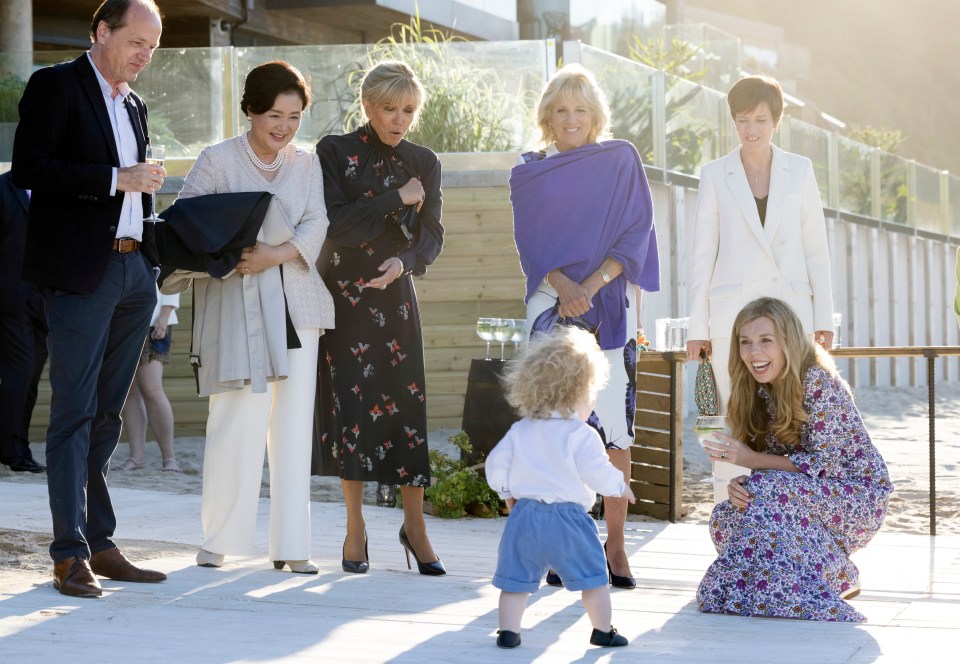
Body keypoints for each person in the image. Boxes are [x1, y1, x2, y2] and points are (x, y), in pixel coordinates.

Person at [10, 0, 167, 598]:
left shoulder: (134, 103)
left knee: (106, 414)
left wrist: (151, 253)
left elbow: (136, 188)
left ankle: (100, 542)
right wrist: (116, 179)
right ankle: (68, 554)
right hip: (82, 276)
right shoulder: (55, 85)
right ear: (101, 32)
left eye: (152, 47)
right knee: (73, 415)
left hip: (133, 272)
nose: (144, 56)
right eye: (136, 42)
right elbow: (31, 167)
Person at [175, 61, 334, 574]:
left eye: (294, 116)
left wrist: (277, 253)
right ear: (249, 110)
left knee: (292, 428)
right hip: (237, 303)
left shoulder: (306, 164)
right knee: (234, 420)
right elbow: (186, 221)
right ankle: (220, 539)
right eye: (273, 114)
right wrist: (239, 254)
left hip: (298, 304)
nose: (284, 126)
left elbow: (318, 221)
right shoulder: (217, 159)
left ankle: (292, 545)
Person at [510, 63, 660, 589]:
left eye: (580, 109)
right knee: (552, 420)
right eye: (561, 109)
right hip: (551, 300)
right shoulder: (529, 170)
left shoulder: (620, 160)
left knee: (614, 422)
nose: (571, 119)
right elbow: (529, 245)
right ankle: (557, 545)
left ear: (595, 115)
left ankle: (615, 547)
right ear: (548, 116)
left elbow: (636, 230)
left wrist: (591, 286)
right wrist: (565, 288)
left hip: (607, 298)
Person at [314, 60, 445, 576]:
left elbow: (432, 234)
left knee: (406, 413)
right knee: (352, 410)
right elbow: (336, 225)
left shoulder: (424, 160)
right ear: (368, 106)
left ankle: (415, 528)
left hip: (396, 297)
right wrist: (396, 198)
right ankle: (355, 528)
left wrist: (407, 264)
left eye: (408, 110)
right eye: (389, 109)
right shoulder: (334, 151)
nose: (399, 119)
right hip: (344, 298)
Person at [686, 74, 835, 502]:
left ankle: (790, 516)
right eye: (742, 120)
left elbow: (816, 250)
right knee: (731, 418)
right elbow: (702, 255)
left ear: (776, 121)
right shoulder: (715, 174)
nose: (751, 129)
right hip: (731, 317)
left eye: (760, 119)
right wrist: (698, 326)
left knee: (791, 417)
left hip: (792, 315)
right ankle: (728, 519)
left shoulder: (800, 170)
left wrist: (823, 317)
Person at [696, 297, 892, 622]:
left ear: (788, 341)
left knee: (768, 489)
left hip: (856, 496)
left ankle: (804, 588)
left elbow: (823, 466)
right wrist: (741, 484)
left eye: (765, 341)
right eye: (745, 342)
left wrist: (754, 463)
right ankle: (836, 572)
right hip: (800, 494)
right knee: (726, 519)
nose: (753, 352)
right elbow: (767, 462)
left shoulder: (818, 382)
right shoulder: (759, 391)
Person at [485, 326, 636, 649]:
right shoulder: (580, 435)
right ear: (576, 393)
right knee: (593, 578)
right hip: (569, 521)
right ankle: (602, 629)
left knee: (515, 581)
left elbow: (496, 464)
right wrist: (620, 486)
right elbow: (597, 471)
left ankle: (509, 631)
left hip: (525, 517)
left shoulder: (520, 429)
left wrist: (506, 492)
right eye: (590, 397)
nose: (591, 406)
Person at [0, 172, 48, 474]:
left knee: (30, 379)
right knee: (20, 371)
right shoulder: (3, 189)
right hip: (9, 299)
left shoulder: (53, 188)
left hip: (45, 299)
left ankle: (19, 448)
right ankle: (8, 446)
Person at [118, 287, 180, 472]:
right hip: (122, 319)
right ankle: (136, 458)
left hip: (153, 319)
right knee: (129, 390)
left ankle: (170, 458)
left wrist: (165, 313)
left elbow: (172, 274)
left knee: (151, 389)